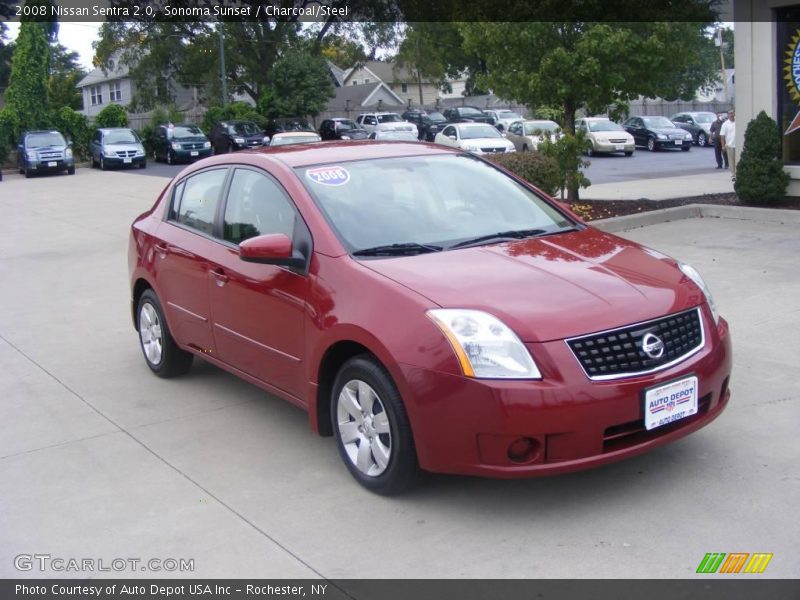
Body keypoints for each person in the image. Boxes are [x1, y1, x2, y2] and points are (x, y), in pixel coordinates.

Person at [720, 109, 737, 181]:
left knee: (737, 161)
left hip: (738, 145)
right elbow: (722, 136)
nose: (731, 115)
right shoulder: (725, 124)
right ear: (728, 115)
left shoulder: (738, 121)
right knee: (731, 161)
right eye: (730, 114)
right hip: (730, 146)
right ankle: (733, 175)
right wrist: (723, 146)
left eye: (732, 113)